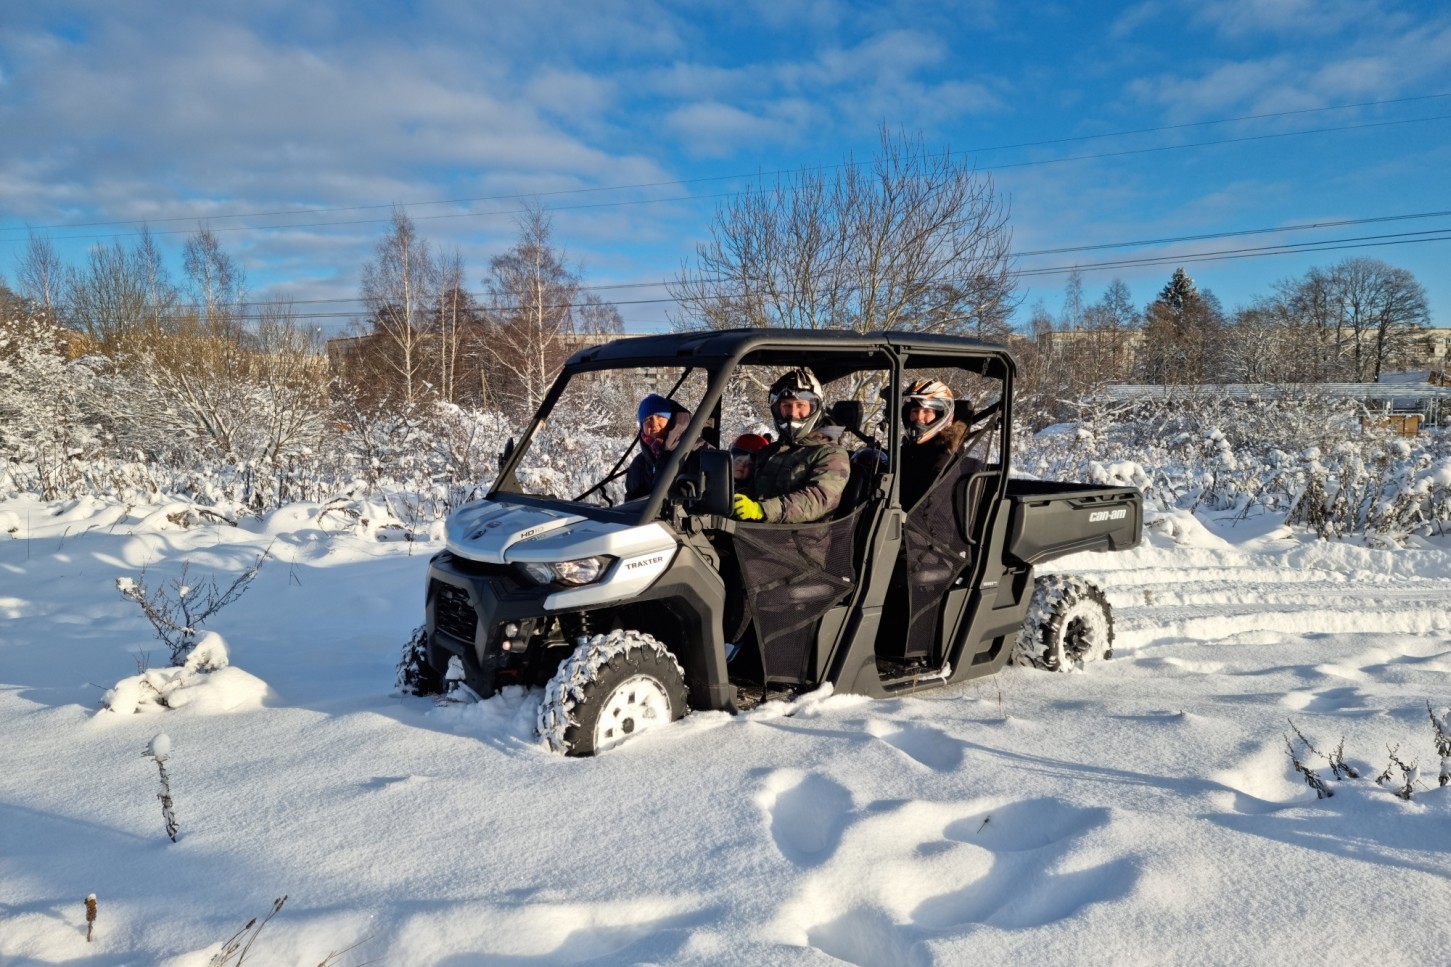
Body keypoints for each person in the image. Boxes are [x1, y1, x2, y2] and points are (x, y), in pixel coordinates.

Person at [732, 368, 849, 524]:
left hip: (798, 543)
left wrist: (762, 510)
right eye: (786, 406)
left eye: (801, 406)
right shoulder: (770, 452)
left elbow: (817, 499)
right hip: (756, 535)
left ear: (815, 408)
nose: (793, 413)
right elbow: (751, 492)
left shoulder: (831, 455)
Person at [898, 377, 968, 510]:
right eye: (915, 411)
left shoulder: (945, 458)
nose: (919, 418)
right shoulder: (912, 450)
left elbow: (923, 511)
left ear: (942, 415)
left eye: (927, 411)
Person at [624, 393, 691, 500]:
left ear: (670, 420)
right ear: (642, 426)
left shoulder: (693, 451)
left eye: (660, 417)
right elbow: (629, 504)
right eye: (648, 419)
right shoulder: (638, 465)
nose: (654, 424)